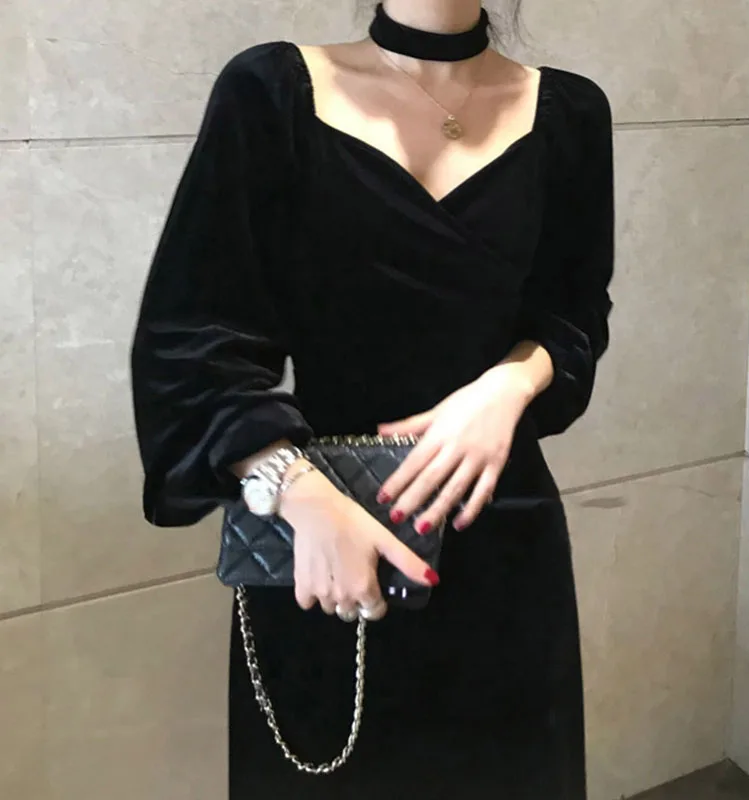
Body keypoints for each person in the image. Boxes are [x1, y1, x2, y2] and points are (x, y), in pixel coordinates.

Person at [130, 0, 614, 797]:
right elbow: (189, 339)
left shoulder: (569, 113)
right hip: (321, 534)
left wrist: (509, 384)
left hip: (501, 537)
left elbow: (575, 318)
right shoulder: (273, 92)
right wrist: (295, 491)